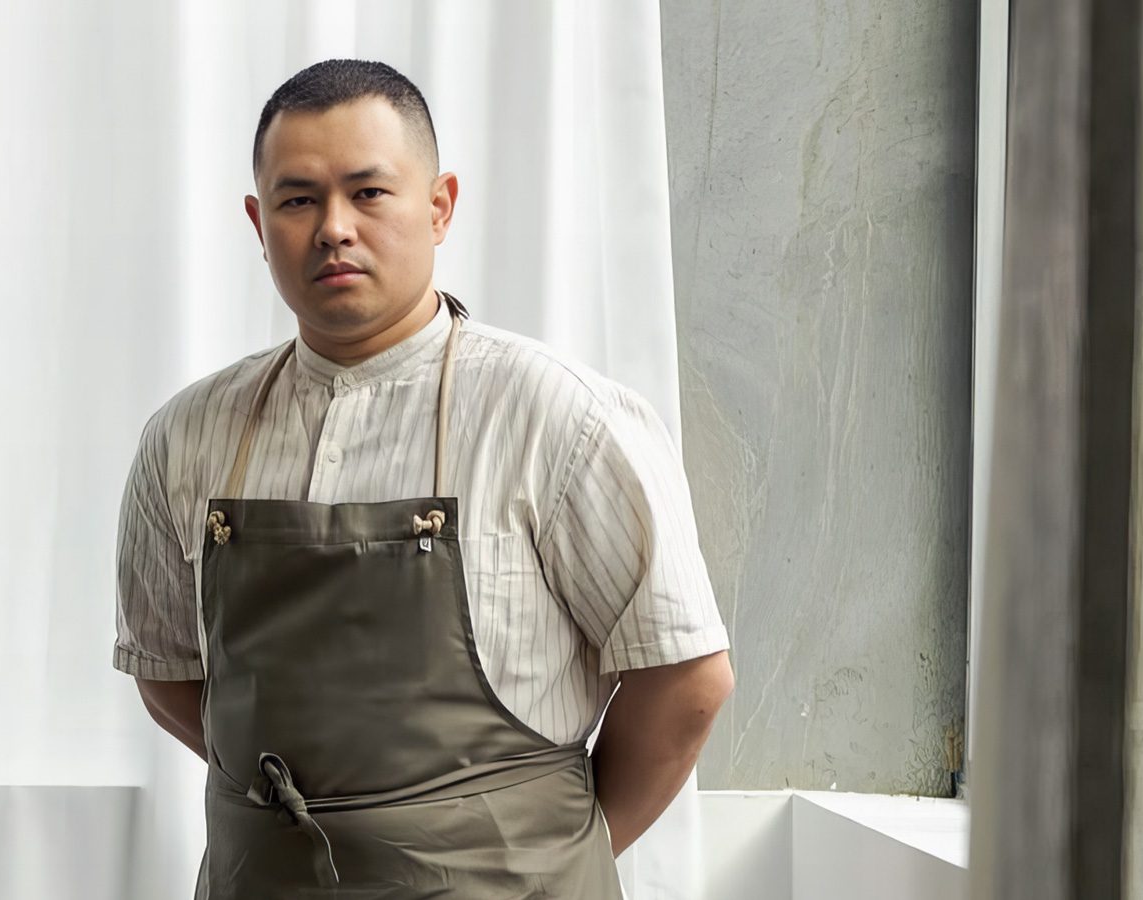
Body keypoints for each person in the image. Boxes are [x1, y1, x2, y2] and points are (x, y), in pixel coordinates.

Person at [115, 58, 735, 899]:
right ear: (259, 224)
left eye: (369, 193)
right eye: (299, 200)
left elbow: (685, 682)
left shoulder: (561, 416)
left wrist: (552, 849)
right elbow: (168, 669)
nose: (334, 227)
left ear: (439, 205)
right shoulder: (185, 436)